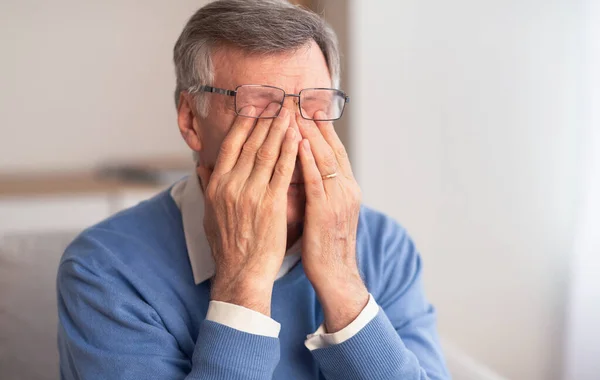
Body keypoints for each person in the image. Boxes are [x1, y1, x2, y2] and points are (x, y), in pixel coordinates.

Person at [56, 0, 450, 379]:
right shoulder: (104, 271)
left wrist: (343, 281)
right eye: (259, 107)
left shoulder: (385, 246)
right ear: (191, 119)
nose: (294, 139)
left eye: (314, 107)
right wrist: (243, 284)